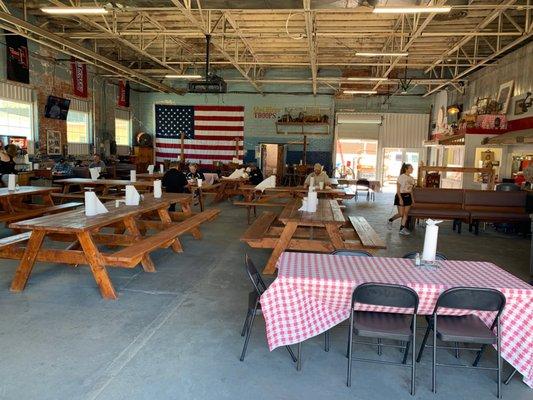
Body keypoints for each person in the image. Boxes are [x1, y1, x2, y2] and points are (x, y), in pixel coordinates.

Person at [387, 163, 415, 235]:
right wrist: (400, 199)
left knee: (406, 213)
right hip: (400, 196)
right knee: (401, 214)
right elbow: (398, 189)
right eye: (411, 168)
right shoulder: (401, 177)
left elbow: (411, 190)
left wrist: (412, 199)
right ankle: (390, 220)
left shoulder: (412, 178)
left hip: (408, 196)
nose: (412, 169)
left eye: (412, 168)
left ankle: (402, 229)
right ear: (406, 169)